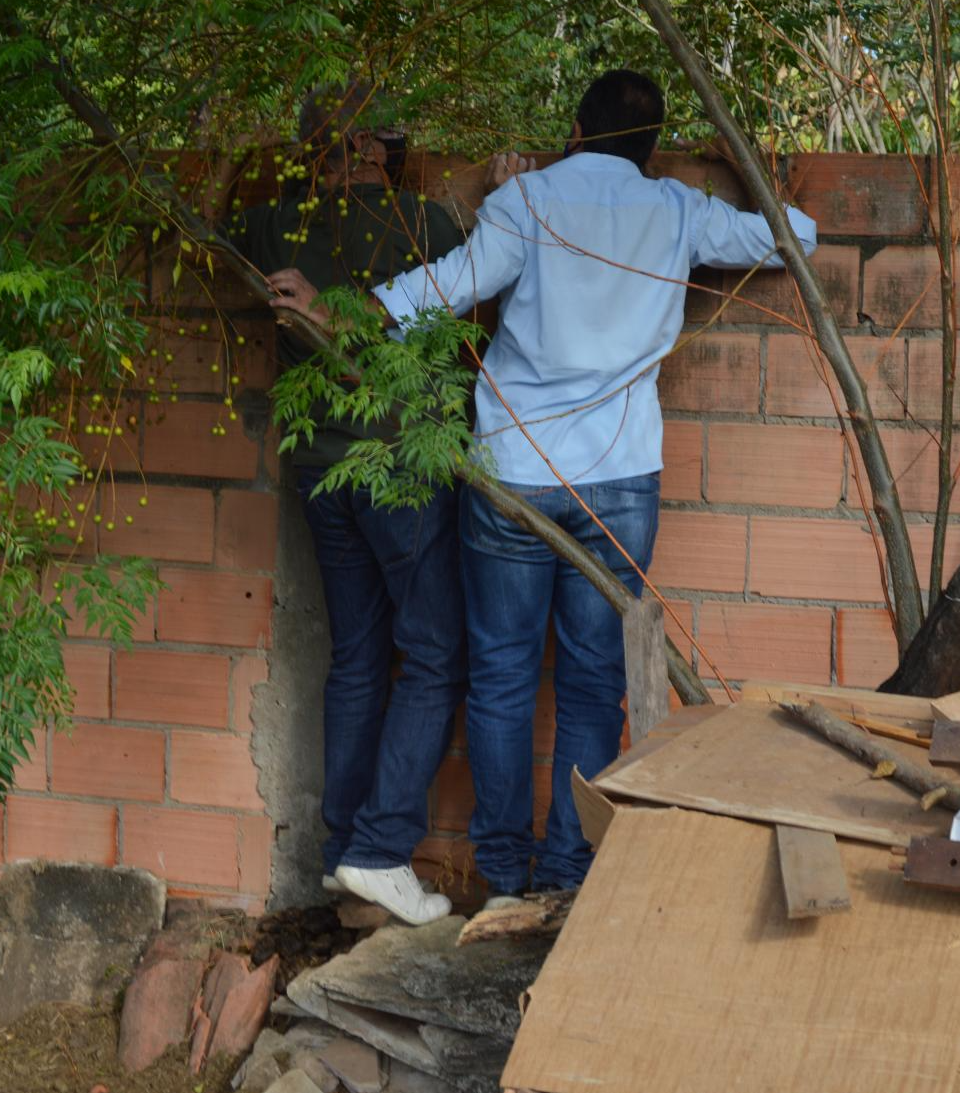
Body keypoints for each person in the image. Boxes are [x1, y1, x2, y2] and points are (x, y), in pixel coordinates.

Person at [268, 69, 817, 902]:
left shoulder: (526, 202)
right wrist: (748, 172)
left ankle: (502, 872)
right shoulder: (676, 208)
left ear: (574, 128)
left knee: (499, 675)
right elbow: (794, 237)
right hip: (620, 480)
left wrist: (339, 314)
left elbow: (443, 289)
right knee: (595, 683)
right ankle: (567, 872)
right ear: (651, 145)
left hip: (512, 478)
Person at [237, 83, 508, 925]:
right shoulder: (420, 225)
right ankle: (380, 848)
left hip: (319, 471)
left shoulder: (278, 225)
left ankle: (339, 854)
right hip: (403, 471)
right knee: (433, 654)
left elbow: (219, 221)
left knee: (357, 656)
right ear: (383, 149)